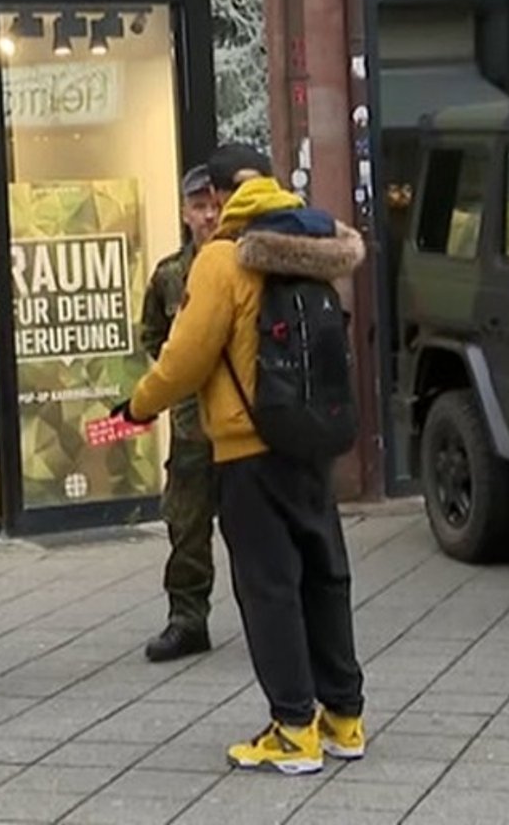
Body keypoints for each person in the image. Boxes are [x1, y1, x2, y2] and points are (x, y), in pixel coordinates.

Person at [112, 143, 369, 775]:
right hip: (310, 442)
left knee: (269, 588)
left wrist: (140, 406)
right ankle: (345, 718)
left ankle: (292, 729)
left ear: (225, 194)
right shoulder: (311, 243)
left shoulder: (223, 259)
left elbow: (187, 356)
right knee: (324, 578)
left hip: (249, 450)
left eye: (211, 198)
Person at [139, 163, 224, 663]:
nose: (209, 216)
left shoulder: (249, 262)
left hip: (246, 426)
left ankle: (271, 619)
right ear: (185, 213)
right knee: (186, 525)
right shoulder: (172, 276)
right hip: (193, 428)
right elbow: (153, 335)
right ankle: (187, 620)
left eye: (216, 205)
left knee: (256, 530)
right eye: (199, 207)